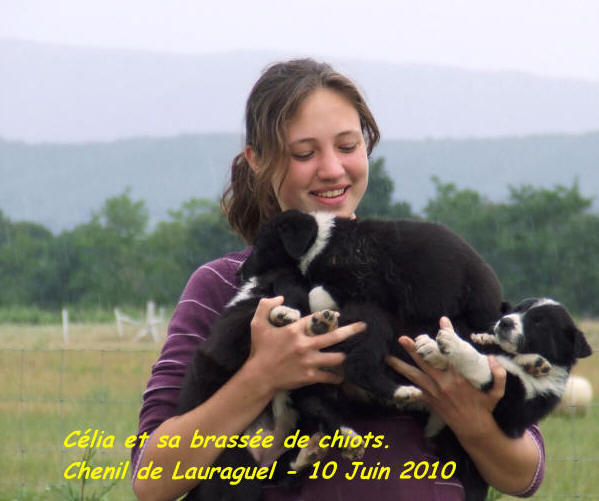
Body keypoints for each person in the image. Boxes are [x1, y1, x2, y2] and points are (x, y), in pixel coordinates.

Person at [132, 58, 545, 501]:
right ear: (255, 159)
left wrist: (470, 416)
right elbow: (152, 479)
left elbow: (522, 475)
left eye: (348, 145)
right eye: (304, 153)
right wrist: (260, 378)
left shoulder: (426, 268)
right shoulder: (221, 285)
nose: (331, 169)